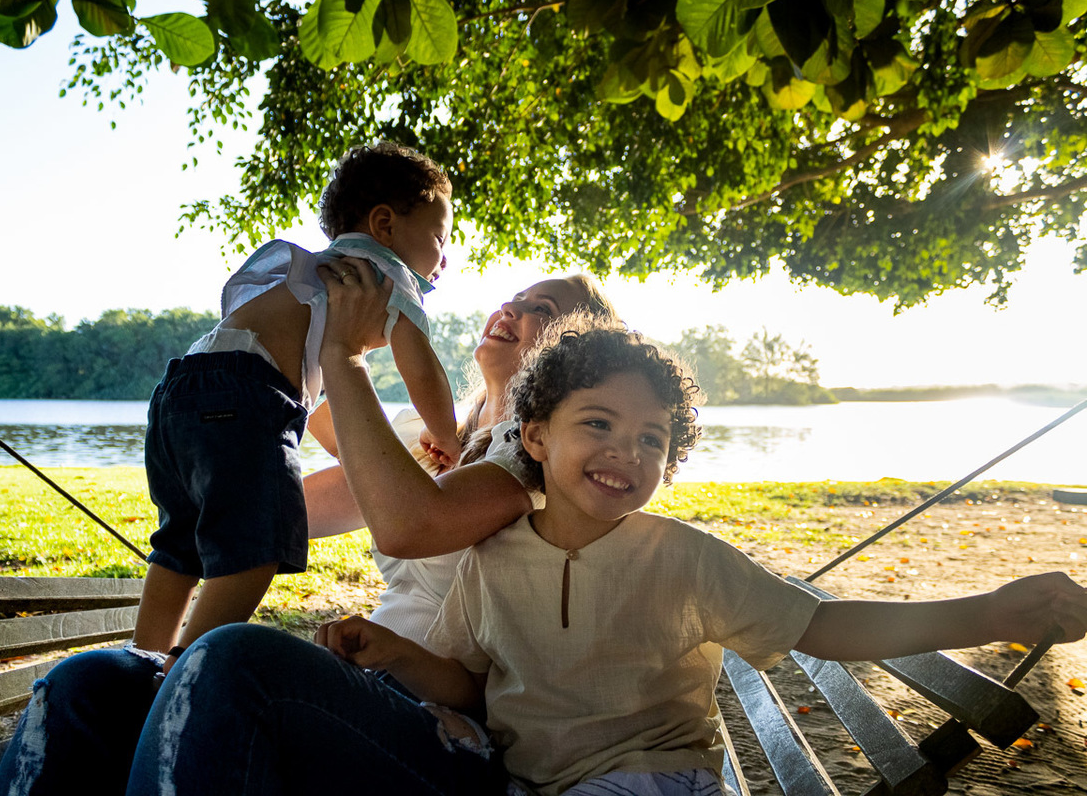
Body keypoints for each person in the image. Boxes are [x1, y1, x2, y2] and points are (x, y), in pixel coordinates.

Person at [312, 318, 1087, 796]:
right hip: (535, 781)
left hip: (651, 779)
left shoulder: (681, 559)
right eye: (600, 424)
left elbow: (822, 626)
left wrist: (985, 613)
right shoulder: (493, 560)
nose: (627, 451)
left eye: (652, 440)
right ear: (537, 436)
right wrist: (392, 653)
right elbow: (467, 679)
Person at [0, 273, 619, 796]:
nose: (511, 306)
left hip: (452, 738)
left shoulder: (542, 460)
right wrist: (225, 414)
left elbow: (408, 526)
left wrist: (340, 356)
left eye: (542, 308)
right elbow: (273, 513)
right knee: (93, 681)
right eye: (516, 295)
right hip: (365, 693)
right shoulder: (436, 443)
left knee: (234, 658)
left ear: (575, 351)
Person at [132, 142, 461, 673]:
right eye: (440, 238)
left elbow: (324, 400)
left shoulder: (327, 274)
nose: (445, 258)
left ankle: (141, 659)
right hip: (247, 392)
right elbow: (420, 367)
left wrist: (364, 457)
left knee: (181, 542)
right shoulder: (382, 274)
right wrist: (445, 434)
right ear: (385, 224)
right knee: (256, 543)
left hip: (184, 386)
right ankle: (184, 669)